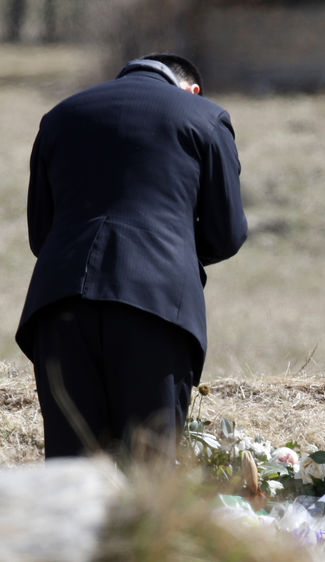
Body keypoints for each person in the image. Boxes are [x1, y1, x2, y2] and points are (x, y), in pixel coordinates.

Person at [15, 53, 248, 460]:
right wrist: (172, 251)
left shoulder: (60, 116)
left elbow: (41, 235)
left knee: (71, 471)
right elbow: (225, 234)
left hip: (59, 304)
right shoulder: (205, 117)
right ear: (192, 90)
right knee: (150, 470)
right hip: (154, 308)